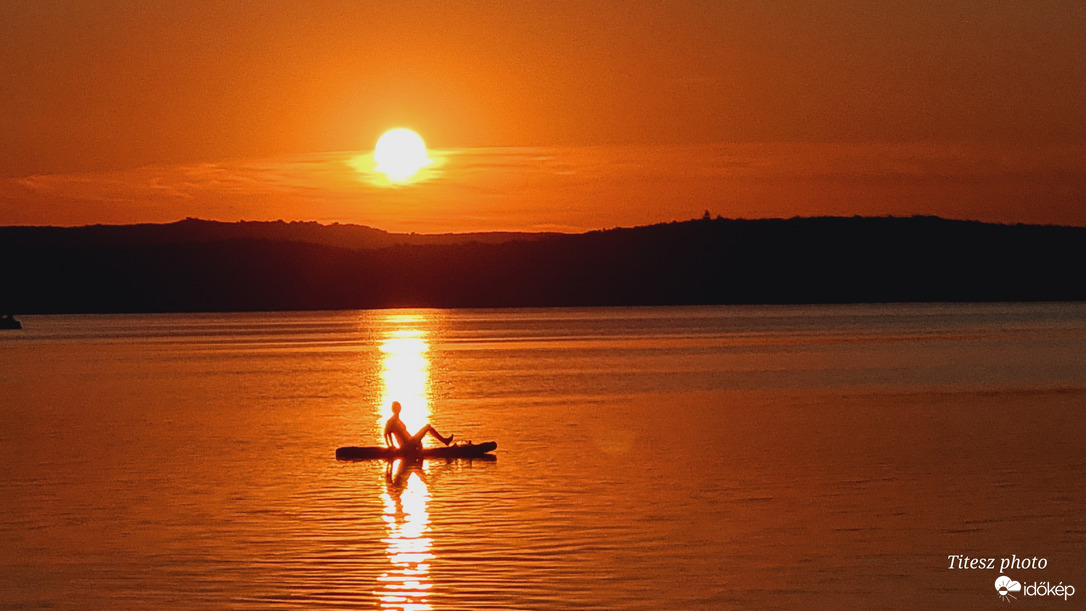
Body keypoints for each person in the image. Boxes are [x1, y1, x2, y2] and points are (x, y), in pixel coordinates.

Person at [383, 401, 453, 451]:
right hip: (406, 446)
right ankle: (445, 441)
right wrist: (390, 446)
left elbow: (405, 434)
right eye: (396, 408)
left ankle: (445, 441)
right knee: (427, 427)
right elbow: (386, 434)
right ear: (393, 409)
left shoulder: (398, 420)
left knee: (427, 427)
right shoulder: (391, 421)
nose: (399, 409)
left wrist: (417, 441)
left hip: (410, 442)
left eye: (399, 407)